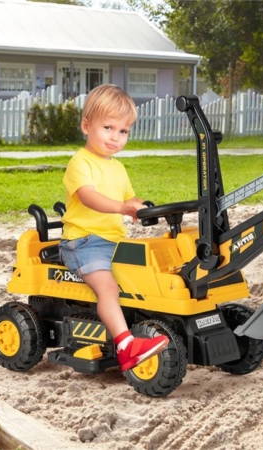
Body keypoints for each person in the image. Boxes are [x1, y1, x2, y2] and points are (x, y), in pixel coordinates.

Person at [59, 84, 169, 372]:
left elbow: (128, 199)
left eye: (123, 131)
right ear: (86, 125)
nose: (115, 137)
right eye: (108, 127)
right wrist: (122, 208)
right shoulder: (80, 163)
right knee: (108, 288)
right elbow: (89, 197)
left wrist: (141, 205)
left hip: (115, 242)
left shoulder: (118, 168)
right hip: (84, 243)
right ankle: (126, 346)